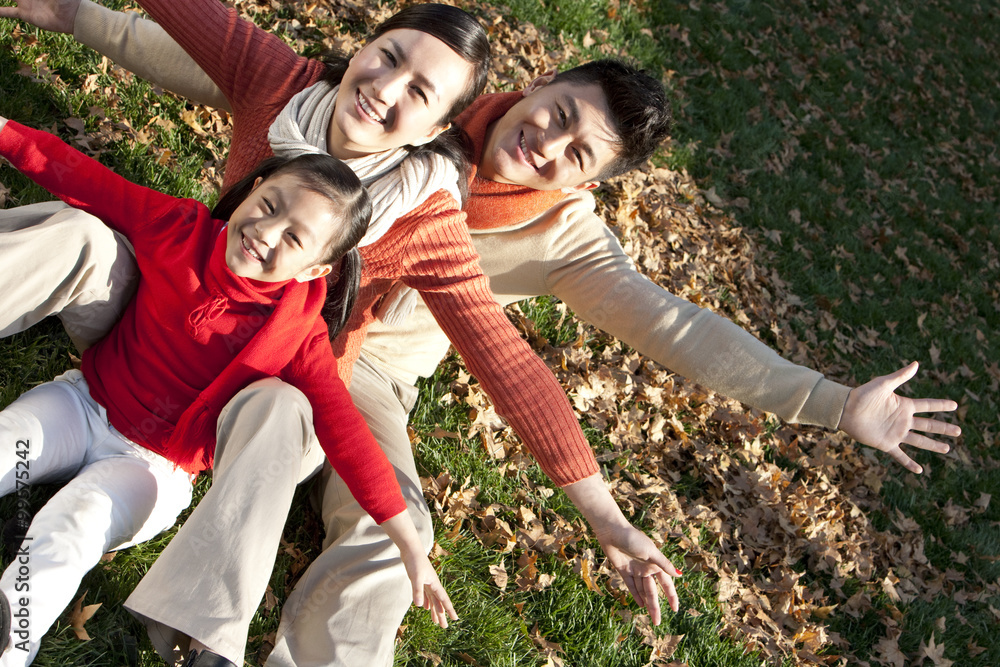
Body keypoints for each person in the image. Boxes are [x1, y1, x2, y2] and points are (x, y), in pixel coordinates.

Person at [0, 1, 961, 665]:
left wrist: (826, 405)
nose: (543, 142)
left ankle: (226, 637)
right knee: (76, 234)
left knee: (391, 525)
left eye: (573, 153)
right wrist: (84, 18)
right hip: (198, 284)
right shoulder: (361, 95)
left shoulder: (513, 229)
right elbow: (228, 63)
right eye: (557, 115)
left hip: (350, 365)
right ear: (537, 84)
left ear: (584, 182)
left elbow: (617, 339)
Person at [0, 116, 458, 667]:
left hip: (154, 471)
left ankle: (10, 638)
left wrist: (409, 544)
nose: (266, 233)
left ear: (316, 266)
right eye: (269, 206)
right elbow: (86, 178)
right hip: (81, 403)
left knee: (72, 527)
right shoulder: (179, 227)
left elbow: (345, 431)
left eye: (293, 237)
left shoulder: (299, 333)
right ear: (253, 189)